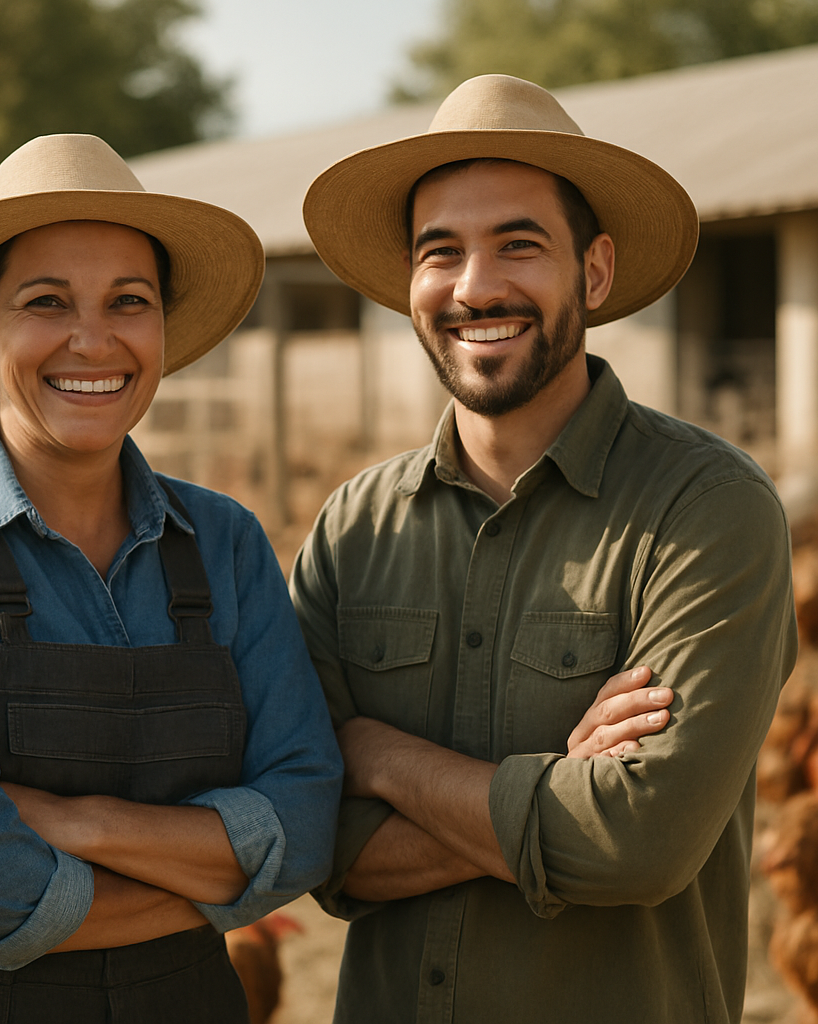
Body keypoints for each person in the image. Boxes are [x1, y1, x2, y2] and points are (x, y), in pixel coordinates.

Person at [0, 133, 343, 1023]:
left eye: (129, 301)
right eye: (45, 301)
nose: (93, 339)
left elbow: (310, 818)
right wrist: (209, 886)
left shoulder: (227, 542)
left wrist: (73, 820)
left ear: (162, 326)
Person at [290, 75, 797, 1023]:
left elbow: (640, 842)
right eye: (442, 252)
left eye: (519, 245)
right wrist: (564, 786)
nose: (476, 286)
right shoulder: (350, 531)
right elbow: (310, 846)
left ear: (594, 273)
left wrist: (379, 757)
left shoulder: (708, 509)